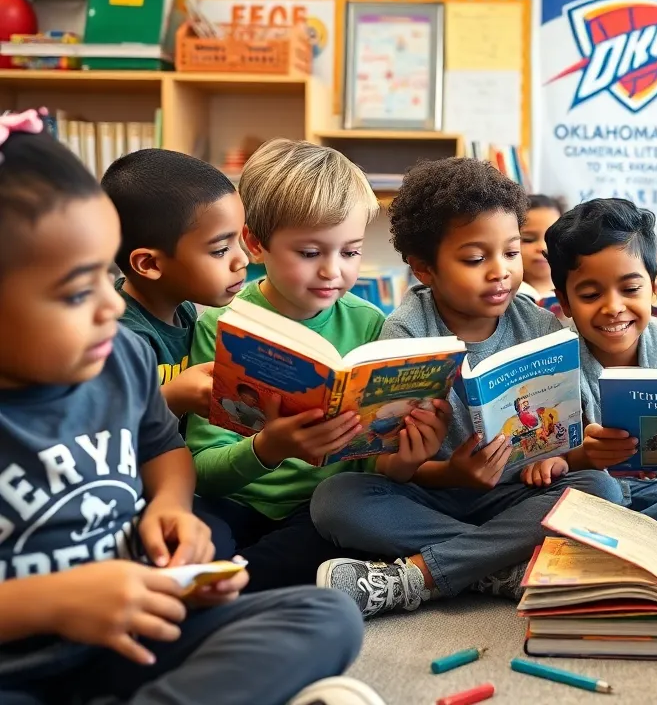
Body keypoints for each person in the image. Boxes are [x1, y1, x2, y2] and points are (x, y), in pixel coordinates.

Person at [0, 113, 376, 705]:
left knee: (325, 615)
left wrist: (172, 509)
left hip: (131, 629)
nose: (109, 305)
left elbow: (166, 452)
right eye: (76, 291)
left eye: (106, 274)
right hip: (19, 661)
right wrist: (61, 600)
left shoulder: (120, 355)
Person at [310, 158, 621, 618]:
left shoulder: (540, 325)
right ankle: (497, 567)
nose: (499, 271)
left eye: (511, 253)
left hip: (517, 496)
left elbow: (569, 444)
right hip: (436, 495)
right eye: (476, 259)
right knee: (336, 500)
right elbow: (390, 468)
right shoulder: (406, 333)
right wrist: (445, 470)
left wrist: (556, 458)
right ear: (424, 268)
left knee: (600, 490)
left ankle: (416, 577)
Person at [186, 139, 426, 592]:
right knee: (193, 534)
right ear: (256, 244)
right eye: (311, 253)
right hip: (233, 498)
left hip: (319, 509)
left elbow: (367, 464)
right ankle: (230, 587)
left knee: (343, 532)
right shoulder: (220, 326)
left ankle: (232, 588)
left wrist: (401, 460)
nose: (332, 271)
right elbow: (202, 471)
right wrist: (267, 448)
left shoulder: (371, 323)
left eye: (350, 252)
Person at [519, 198, 657, 534]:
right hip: (589, 491)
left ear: (654, 288)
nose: (613, 307)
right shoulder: (553, 366)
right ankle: (631, 538)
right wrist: (563, 460)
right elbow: (543, 456)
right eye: (590, 295)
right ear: (564, 302)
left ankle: (608, 539)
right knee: (582, 490)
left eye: (630, 289)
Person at [101, 149, 249, 420]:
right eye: (220, 250)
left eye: (239, 240)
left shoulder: (185, 310)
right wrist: (171, 399)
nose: (242, 259)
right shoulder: (119, 338)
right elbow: (105, 427)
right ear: (150, 265)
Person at [517, 193, 564, 302]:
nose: (543, 248)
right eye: (528, 239)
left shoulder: (575, 294)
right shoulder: (503, 293)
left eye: (553, 239)